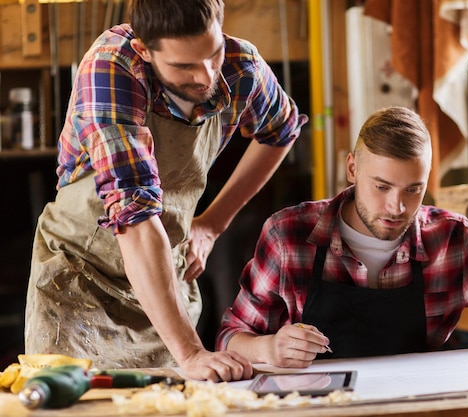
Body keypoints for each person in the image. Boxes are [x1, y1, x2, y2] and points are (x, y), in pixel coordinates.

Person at [24, 0, 307, 382]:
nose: (207, 76)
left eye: (213, 54)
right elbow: (135, 217)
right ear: (144, 50)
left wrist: (212, 223)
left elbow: (281, 131)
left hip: (164, 275)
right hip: (80, 277)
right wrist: (191, 351)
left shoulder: (243, 67)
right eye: (183, 66)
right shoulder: (110, 70)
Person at [217, 106, 468, 369]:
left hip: (418, 406)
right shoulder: (288, 235)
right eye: (382, 186)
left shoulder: (451, 240)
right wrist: (269, 348)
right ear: (352, 169)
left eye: (413, 189)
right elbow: (232, 336)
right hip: (319, 406)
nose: (396, 207)